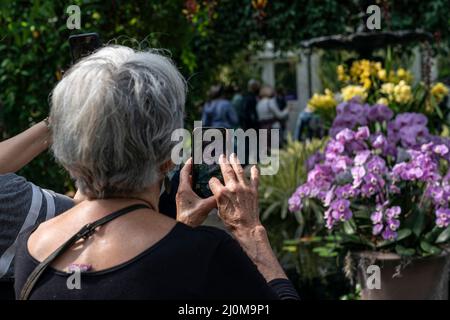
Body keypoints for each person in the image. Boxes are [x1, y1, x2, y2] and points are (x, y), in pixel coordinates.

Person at [14, 45, 299, 300]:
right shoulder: (207, 255)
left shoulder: (31, 247)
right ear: (167, 158)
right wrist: (251, 233)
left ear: (66, 154)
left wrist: (181, 231)